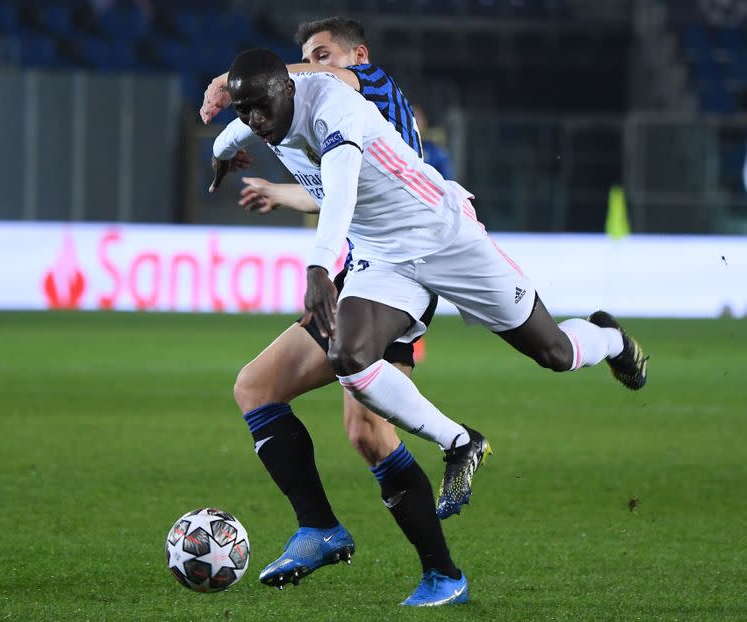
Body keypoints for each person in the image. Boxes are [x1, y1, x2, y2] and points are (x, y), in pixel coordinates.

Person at [212, 45, 649, 598]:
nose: (253, 121)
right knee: (349, 357)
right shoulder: (267, 113)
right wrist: (222, 150)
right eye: (243, 110)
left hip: (446, 237)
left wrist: (320, 265)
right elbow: (245, 127)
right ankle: (457, 443)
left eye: (259, 109)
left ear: (290, 87)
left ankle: (608, 337)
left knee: (555, 353)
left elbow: (341, 187)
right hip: (383, 259)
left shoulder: (336, 107)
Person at [201, 18, 480, 607]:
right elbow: (335, 191)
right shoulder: (322, 124)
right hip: (361, 272)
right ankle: (321, 529)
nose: (314, 65)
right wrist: (237, 155)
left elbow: (324, 89)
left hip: (397, 272)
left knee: (368, 433)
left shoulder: (367, 85)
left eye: (323, 54)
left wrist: (234, 80)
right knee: (264, 391)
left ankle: (442, 572)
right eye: (305, 56)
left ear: (358, 54)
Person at [412, 103, 454, 180]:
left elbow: (447, 179)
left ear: (425, 122)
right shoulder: (396, 146)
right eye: (411, 118)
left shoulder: (435, 151)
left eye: (418, 118)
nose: (415, 122)